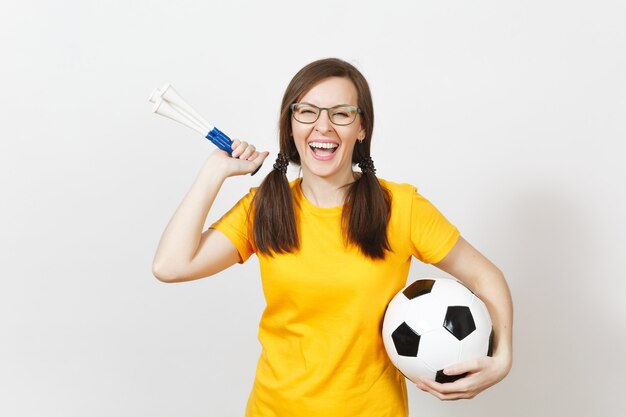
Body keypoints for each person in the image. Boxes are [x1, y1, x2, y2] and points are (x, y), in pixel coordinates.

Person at [152, 58, 513, 416]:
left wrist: (502, 358)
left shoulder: (401, 208)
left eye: (341, 114)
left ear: (361, 128)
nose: (322, 126)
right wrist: (214, 172)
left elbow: (486, 276)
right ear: (290, 125)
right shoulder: (264, 207)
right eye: (307, 112)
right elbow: (170, 266)